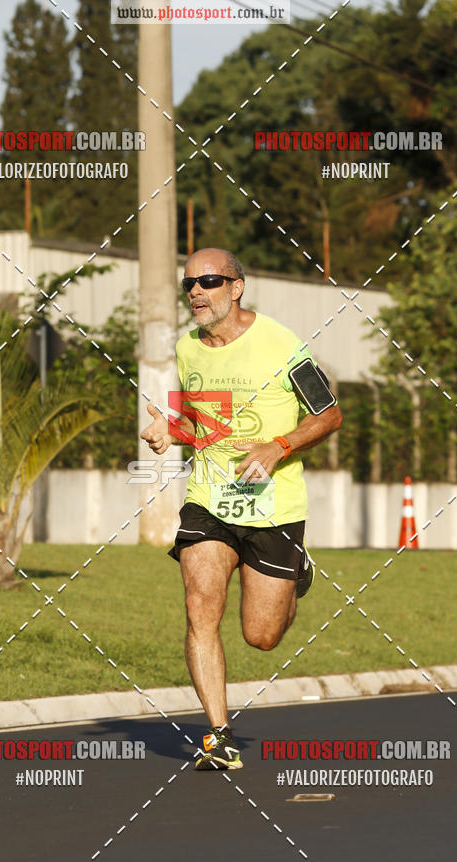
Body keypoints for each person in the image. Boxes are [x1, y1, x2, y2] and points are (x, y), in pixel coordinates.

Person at [140, 248, 342, 771]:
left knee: (262, 636)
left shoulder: (280, 343)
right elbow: (198, 418)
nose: (196, 293)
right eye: (188, 284)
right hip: (208, 498)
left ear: (237, 287)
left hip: (273, 503)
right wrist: (171, 429)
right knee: (199, 606)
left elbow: (330, 413)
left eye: (208, 281)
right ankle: (219, 734)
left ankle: (295, 572)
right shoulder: (188, 349)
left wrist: (279, 446)